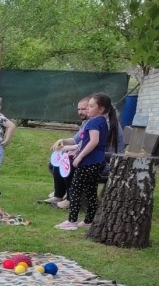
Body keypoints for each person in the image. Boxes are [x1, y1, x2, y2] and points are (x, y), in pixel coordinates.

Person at [55, 93, 118, 231]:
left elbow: (93, 142)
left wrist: (79, 157)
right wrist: (74, 149)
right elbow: (87, 142)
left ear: (100, 109)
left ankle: (72, 221)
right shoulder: (103, 121)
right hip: (98, 163)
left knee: (75, 191)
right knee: (91, 192)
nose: (87, 109)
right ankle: (89, 221)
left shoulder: (94, 122)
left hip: (88, 163)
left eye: (91, 106)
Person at [45, 96, 91, 208]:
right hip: (87, 154)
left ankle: (70, 199)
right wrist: (63, 141)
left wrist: (75, 151)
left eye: (84, 109)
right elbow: (77, 140)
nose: (80, 112)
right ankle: (59, 195)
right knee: (57, 160)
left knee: (68, 162)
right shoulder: (87, 122)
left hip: (102, 159)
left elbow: (94, 144)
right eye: (79, 109)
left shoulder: (99, 123)